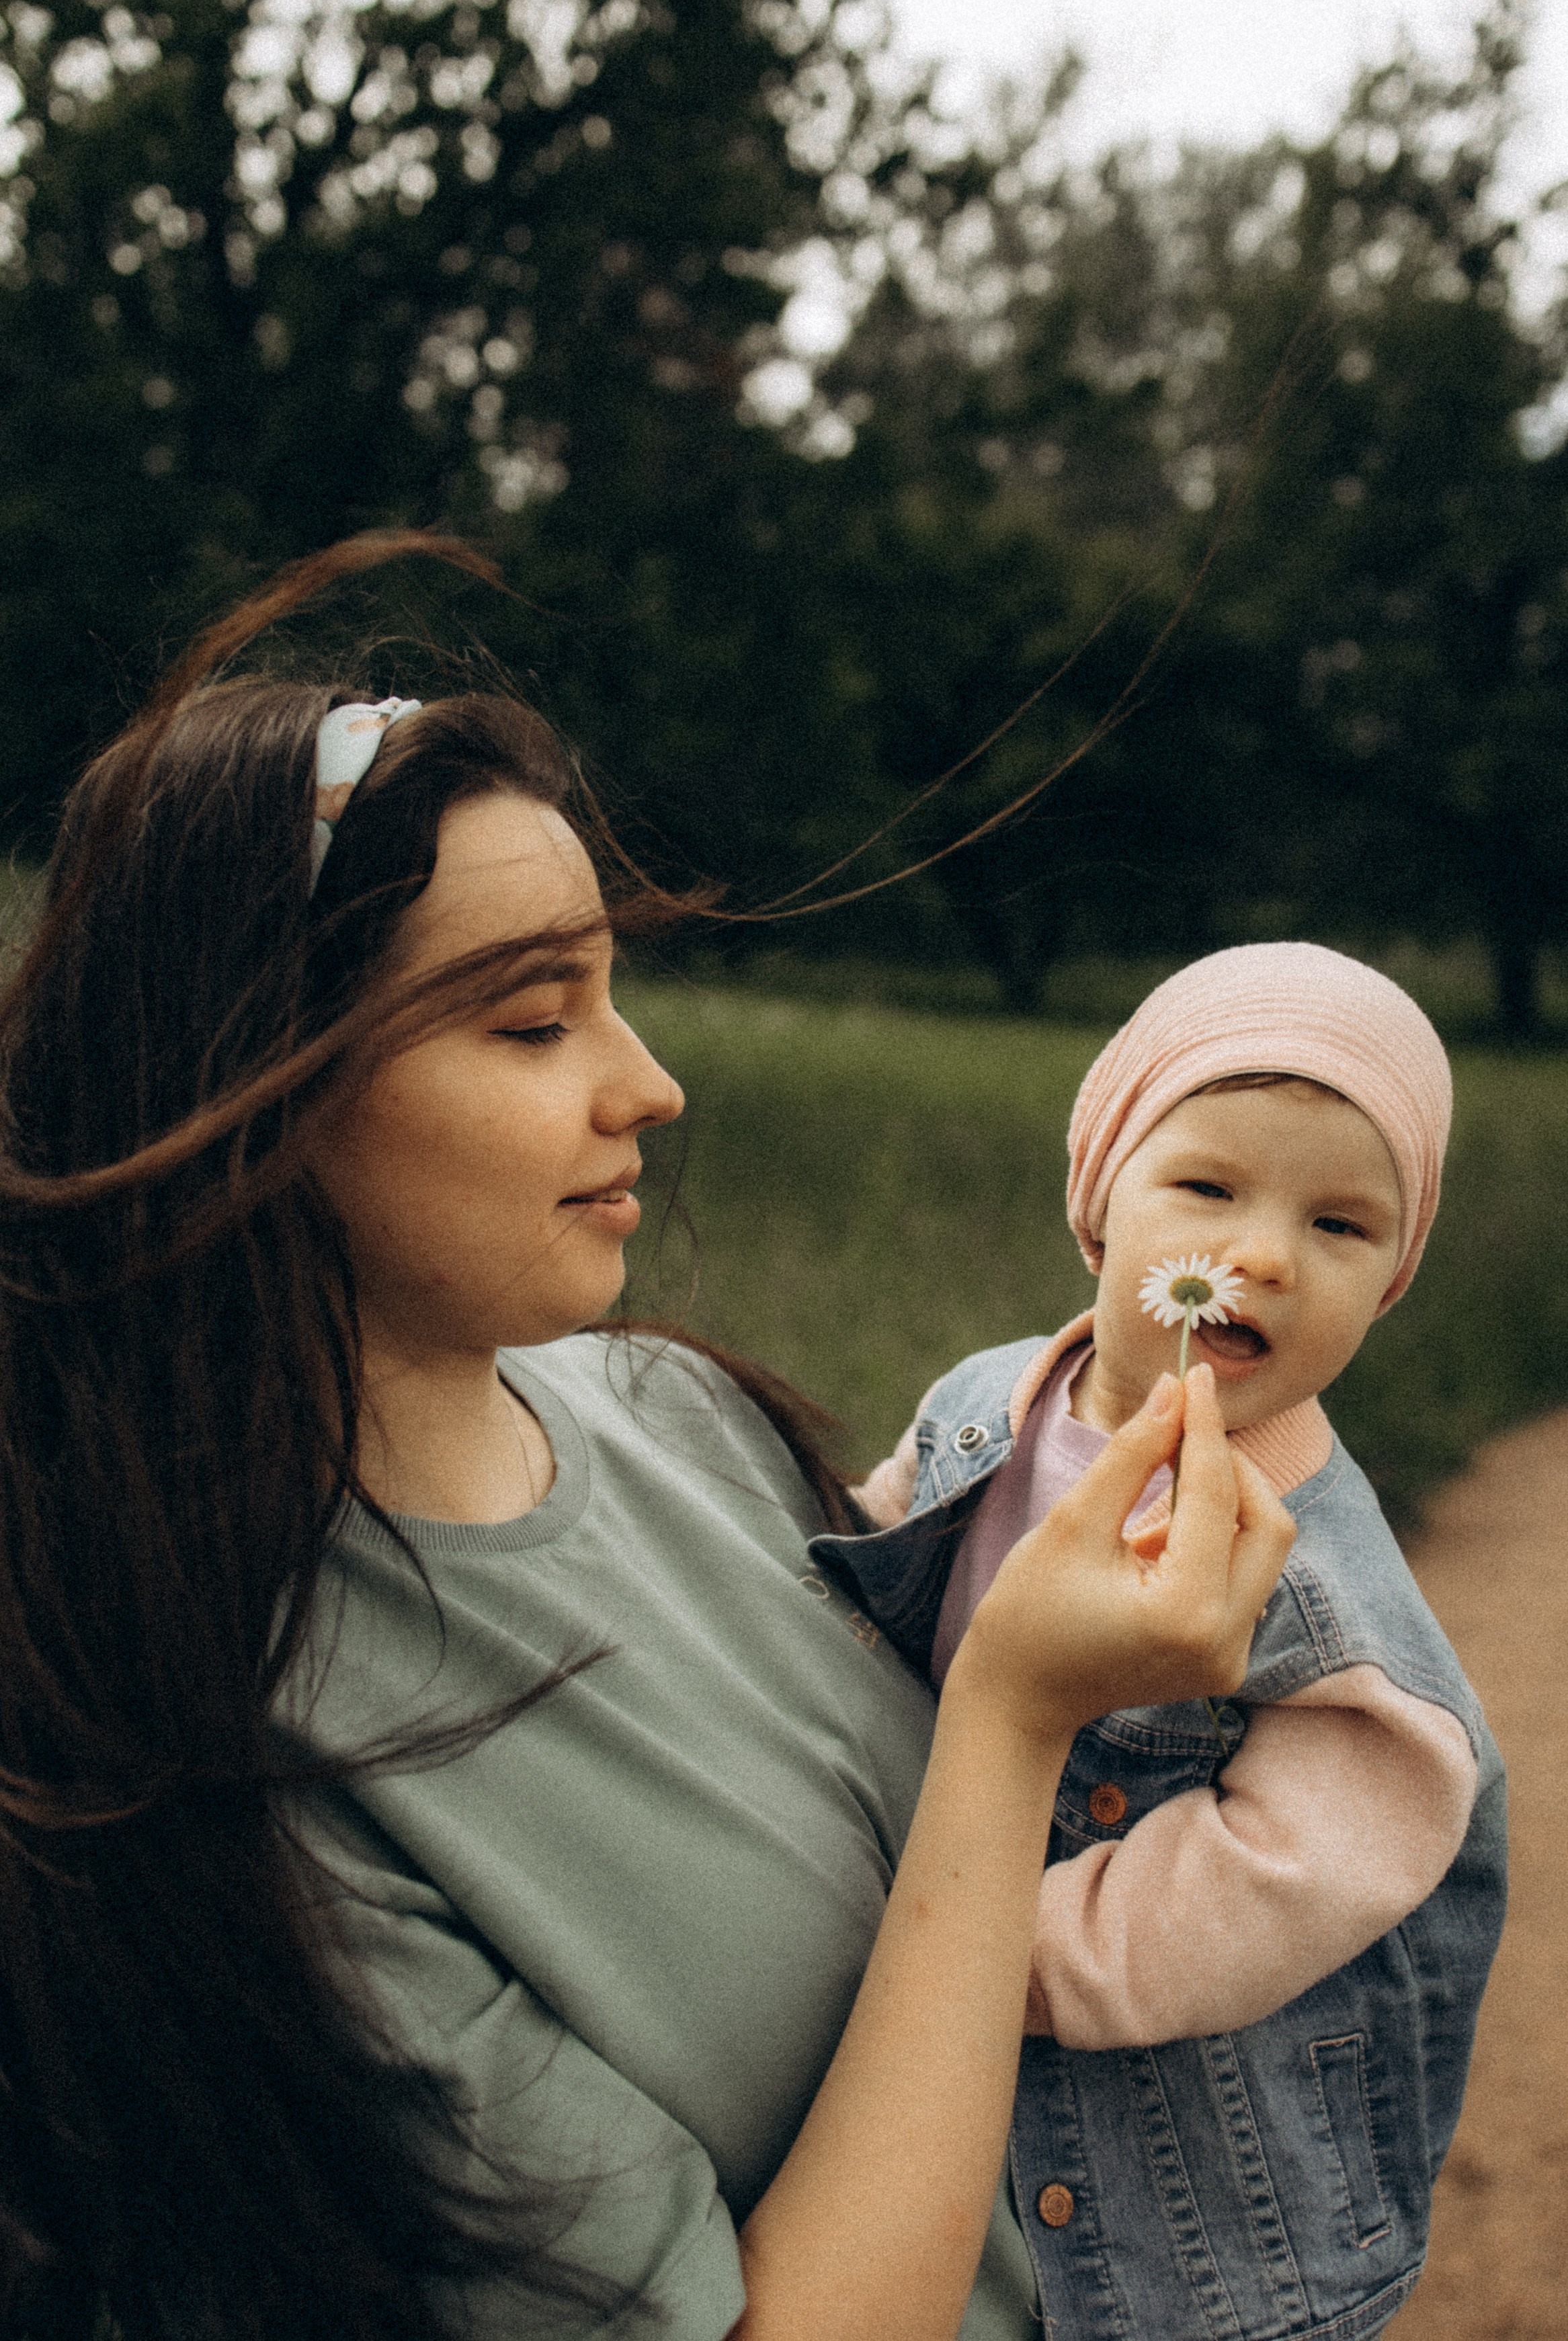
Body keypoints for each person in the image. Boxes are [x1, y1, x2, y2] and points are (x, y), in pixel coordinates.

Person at [0, 533, 1293, 2341]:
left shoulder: (678, 1410)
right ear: (254, 1087)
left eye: (609, 989)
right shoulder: (219, 1769)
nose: (648, 1082)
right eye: (534, 1017)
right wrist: (1007, 1718)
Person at [821, 942, 1508, 2341]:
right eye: (1207, 1187)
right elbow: (879, 1549)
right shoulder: (991, 1400)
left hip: (1179, 2169)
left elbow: (1312, 1854)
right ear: (1098, 1211)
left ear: (1388, 1284)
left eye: (1340, 1225)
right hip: (963, 2041)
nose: (1260, 1253)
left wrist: (1002, 1956)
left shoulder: (1317, 1571)